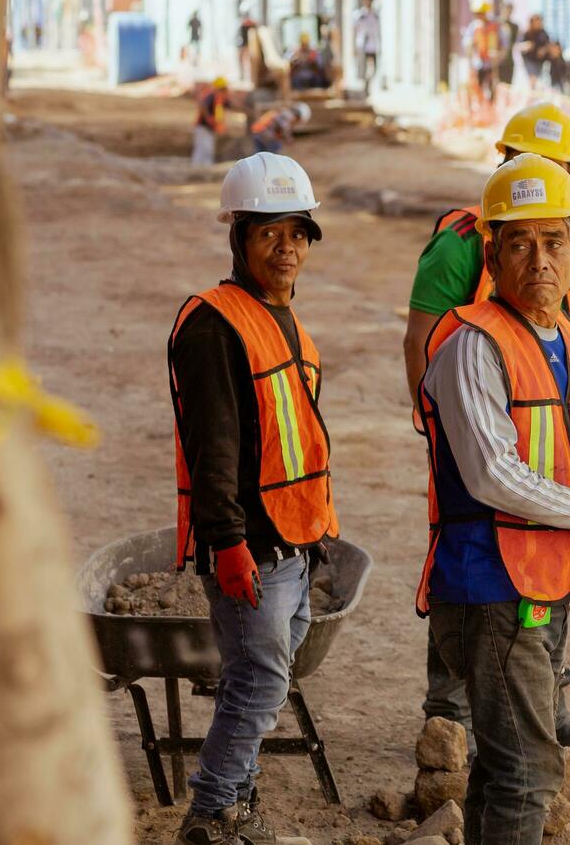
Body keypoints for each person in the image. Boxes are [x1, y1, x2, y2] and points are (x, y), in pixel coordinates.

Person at [416, 153, 570, 844]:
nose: (539, 259)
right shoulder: (472, 345)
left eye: (553, 242)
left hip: (534, 586)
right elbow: (494, 475)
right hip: (487, 592)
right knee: (529, 771)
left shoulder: (567, 340)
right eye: (520, 242)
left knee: (502, 765)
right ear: (492, 254)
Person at [403, 102, 570, 753]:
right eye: (531, 162)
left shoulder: (568, 241)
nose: (544, 177)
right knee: (480, 555)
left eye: (558, 169)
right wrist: (437, 420)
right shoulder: (466, 244)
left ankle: (544, 704)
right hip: (483, 409)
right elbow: (424, 339)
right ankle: (450, 714)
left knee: (545, 568)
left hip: (548, 418)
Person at [168, 152, 336, 845]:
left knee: (261, 681)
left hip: (294, 541)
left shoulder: (283, 318)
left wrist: (318, 535)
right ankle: (211, 815)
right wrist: (229, 543)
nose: (286, 247)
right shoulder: (216, 325)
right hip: (252, 548)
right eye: (269, 232)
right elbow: (213, 448)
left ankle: (235, 804)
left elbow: (294, 434)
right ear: (238, 236)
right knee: (260, 685)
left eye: (297, 232)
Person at [193, 77, 230, 166]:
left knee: (207, 149)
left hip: (209, 129)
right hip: (203, 127)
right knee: (203, 149)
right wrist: (208, 118)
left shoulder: (219, 98)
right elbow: (203, 106)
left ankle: (205, 168)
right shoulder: (211, 96)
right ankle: (198, 168)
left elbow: (228, 106)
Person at [467, 3, 499, 105]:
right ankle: (481, 105)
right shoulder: (474, 26)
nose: (478, 16)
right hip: (478, 62)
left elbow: (503, 42)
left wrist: (499, 54)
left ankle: (490, 105)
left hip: (491, 62)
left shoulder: (494, 26)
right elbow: (467, 42)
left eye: (480, 13)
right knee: (478, 85)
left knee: (491, 85)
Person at [353, 0, 380, 94]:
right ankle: (364, 86)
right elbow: (355, 30)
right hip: (362, 45)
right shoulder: (359, 15)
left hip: (372, 45)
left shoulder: (375, 15)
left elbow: (377, 31)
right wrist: (354, 47)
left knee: (373, 68)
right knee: (363, 68)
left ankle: (368, 82)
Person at [518, 14, 550, 87]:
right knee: (532, 79)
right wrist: (527, 45)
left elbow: (548, 45)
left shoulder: (544, 34)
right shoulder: (526, 34)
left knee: (539, 80)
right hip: (529, 60)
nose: (538, 24)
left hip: (540, 62)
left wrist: (543, 50)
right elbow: (519, 46)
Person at [497, 2, 519, 86]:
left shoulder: (514, 26)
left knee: (508, 85)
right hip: (497, 61)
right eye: (505, 10)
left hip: (508, 60)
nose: (507, 13)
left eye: (509, 11)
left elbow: (513, 43)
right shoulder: (495, 25)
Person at [236, 6, 257, 84]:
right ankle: (243, 75)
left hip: (250, 45)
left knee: (250, 61)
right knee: (241, 59)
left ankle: (250, 76)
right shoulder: (242, 23)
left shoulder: (252, 23)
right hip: (243, 44)